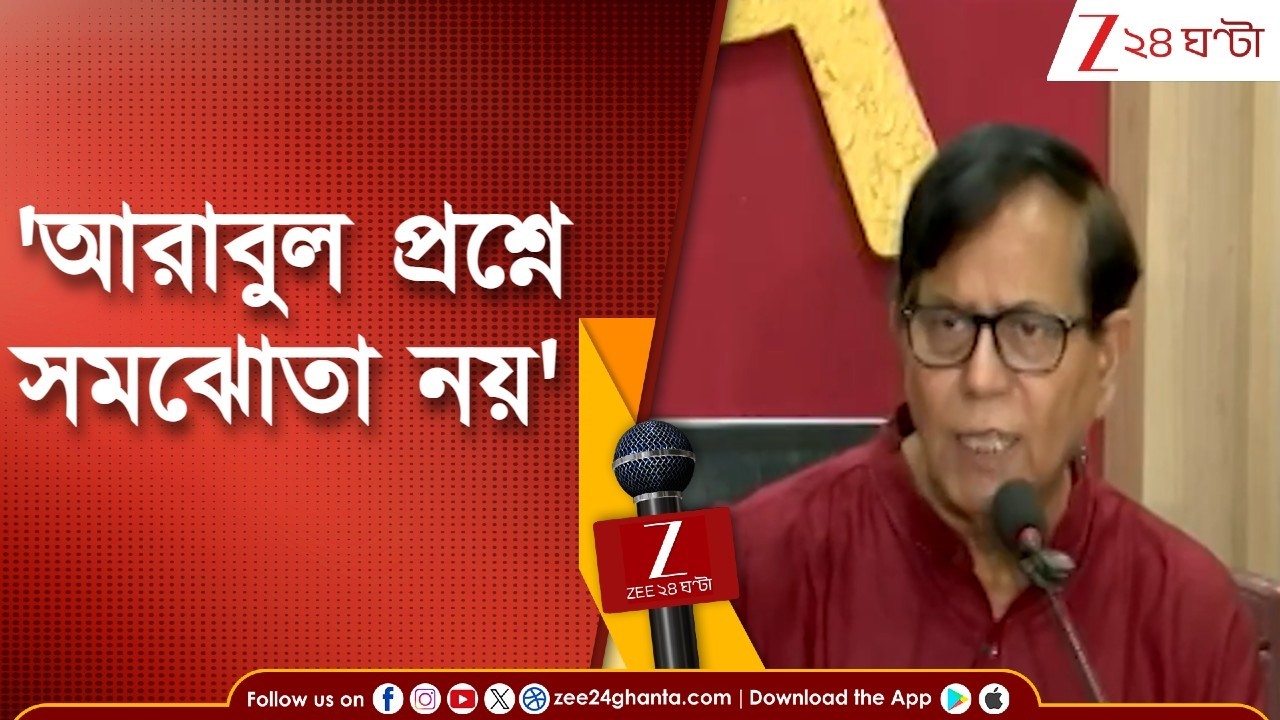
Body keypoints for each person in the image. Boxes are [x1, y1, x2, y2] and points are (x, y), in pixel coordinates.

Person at [730, 123, 1264, 707]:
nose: (981, 379)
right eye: (948, 324)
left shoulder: (1189, 615)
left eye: (1029, 331)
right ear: (901, 334)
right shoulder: (747, 570)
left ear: (1106, 361)